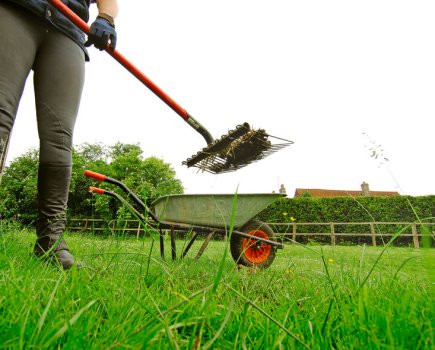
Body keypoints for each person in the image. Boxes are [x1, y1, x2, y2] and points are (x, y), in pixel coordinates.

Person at [0, 0, 118, 269]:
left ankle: (50, 243)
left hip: (68, 29)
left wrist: (107, 18)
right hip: (16, 8)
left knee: (60, 138)